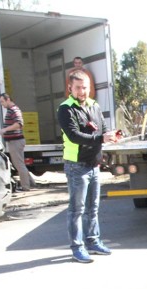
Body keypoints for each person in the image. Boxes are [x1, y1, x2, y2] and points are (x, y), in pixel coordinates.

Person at [58, 70, 119, 263]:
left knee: (93, 208)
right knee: (77, 210)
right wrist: (101, 138)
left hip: (94, 165)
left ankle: (93, 241)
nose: (82, 91)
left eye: (85, 87)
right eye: (78, 87)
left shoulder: (94, 105)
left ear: (89, 87)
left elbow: (101, 129)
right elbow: (74, 136)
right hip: (77, 166)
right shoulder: (66, 109)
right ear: (70, 88)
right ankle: (77, 247)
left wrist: (110, 136)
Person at [0, 92, 33, 193]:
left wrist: (5, 130)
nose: (2, 104)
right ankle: (30, 183)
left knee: (19, 165)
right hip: (15, 141)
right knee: (20, 164)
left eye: (2, 102)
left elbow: (19, 124)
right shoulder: (11, 110)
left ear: (8, 99)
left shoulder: (14, 110)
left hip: (16, 141)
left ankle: (26, 187)